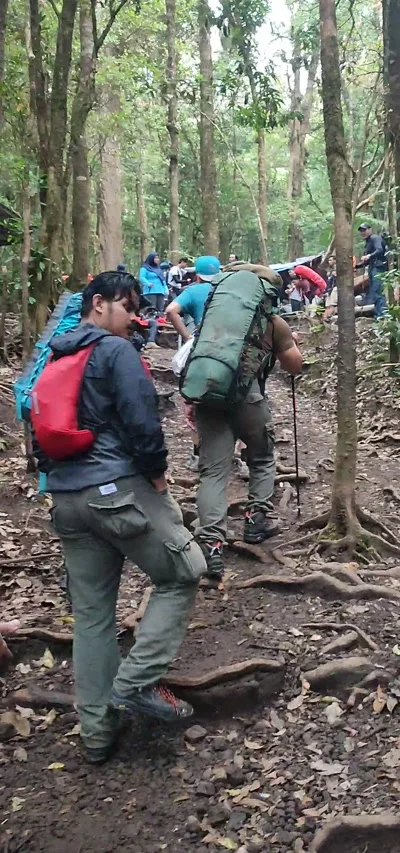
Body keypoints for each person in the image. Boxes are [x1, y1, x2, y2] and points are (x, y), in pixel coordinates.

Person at [34, 270, 205, 763]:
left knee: (91, 617)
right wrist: (157, 478)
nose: (133, 317)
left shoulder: (55, 355)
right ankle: (135, 683)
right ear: (97, 303)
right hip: (117, 491)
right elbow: (142, 424)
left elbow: (40, 427)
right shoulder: (116, 353)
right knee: (184, 570)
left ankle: (96, 734)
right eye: (125, 306)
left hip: (66, 499)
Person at [186, 263, 303, 581]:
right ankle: (255, 521)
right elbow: (295, 366)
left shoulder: (215, 316)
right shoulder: (272, 322)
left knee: (213, 472)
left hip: (208, 398)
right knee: (263, 456)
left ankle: (211, 546)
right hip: (249, 399)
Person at [166, 256, 222, 470]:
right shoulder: (226, 290)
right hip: (232, 350)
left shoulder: (192, 291)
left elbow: (171, 310)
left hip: (202, 350)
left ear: (197, 275)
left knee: (195, 399)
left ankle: (199, 456)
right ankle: (241, 457)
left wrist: (188, 337)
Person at [358, 223, 387, 318]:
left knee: (378, 291)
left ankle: (382, 315)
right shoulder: (367, 242)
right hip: (372, 267)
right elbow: (367, 260)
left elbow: (379, 250)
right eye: (361, 231)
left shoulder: (375, 238)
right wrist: (357, 266)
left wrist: (369, 256)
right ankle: (378, 313)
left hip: (378, 267)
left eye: (364, 230)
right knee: (374, 292)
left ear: (370, 230)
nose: (363, 232)